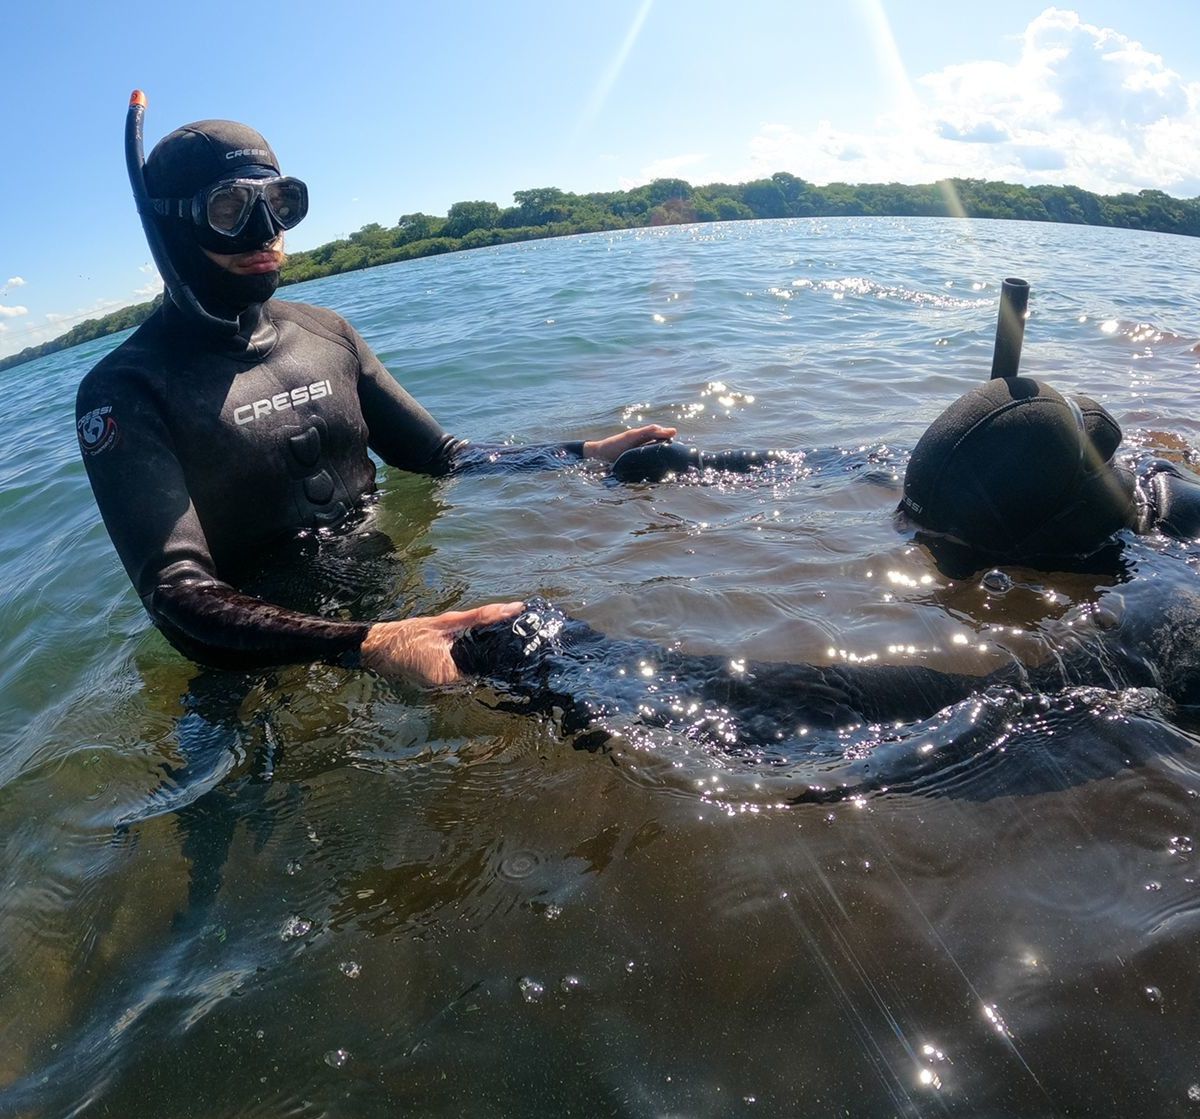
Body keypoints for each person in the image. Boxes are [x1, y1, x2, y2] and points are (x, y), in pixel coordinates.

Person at [76, 116, 675, 683]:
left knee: (579, 578)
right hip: (269, 665)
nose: (265, 233)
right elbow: (176, 591)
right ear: (173, 226)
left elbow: (444, 456)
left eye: (280, 204)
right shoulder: (125, 389)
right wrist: (363, 644)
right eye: (229, 209)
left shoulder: (325, 334)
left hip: (395, 603)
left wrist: (583, 453)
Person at [454, 376, 1200, 756]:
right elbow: (840, 464)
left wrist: (545, 654)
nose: (908, 552)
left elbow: (906, 715)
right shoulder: (1090, 489)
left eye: (932, 551)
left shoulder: (1170, 608)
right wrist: (676, 462)